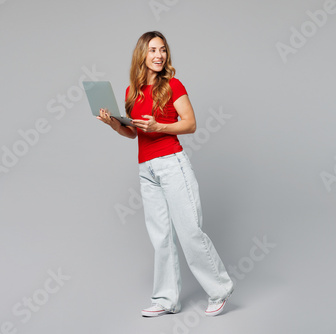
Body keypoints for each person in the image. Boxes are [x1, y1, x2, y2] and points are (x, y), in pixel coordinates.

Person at [97, 31, 234, 317]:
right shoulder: (131, 91)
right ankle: (166, 300)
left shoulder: (173, 84)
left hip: (172, 163)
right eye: (152, 50)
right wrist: (113, 123)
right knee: (160, 237)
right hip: (146, 169)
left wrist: (158, 126)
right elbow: (133, 132)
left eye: (162, 50)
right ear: (142, 55)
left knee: (189, 231)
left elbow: (191, 124)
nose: (159, 55)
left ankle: (219, 290)